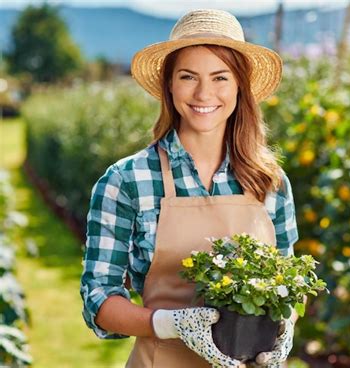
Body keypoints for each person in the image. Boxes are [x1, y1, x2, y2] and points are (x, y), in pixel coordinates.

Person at [80, 8, 299, 368]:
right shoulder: (128, 180)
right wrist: (170, 324)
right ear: (169, 84)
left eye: (220, 78)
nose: (204, 93)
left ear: (240, 85)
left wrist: (284, 328)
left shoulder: (269, 181)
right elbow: (98, 298)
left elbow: (286, 285)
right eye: (188, 77)